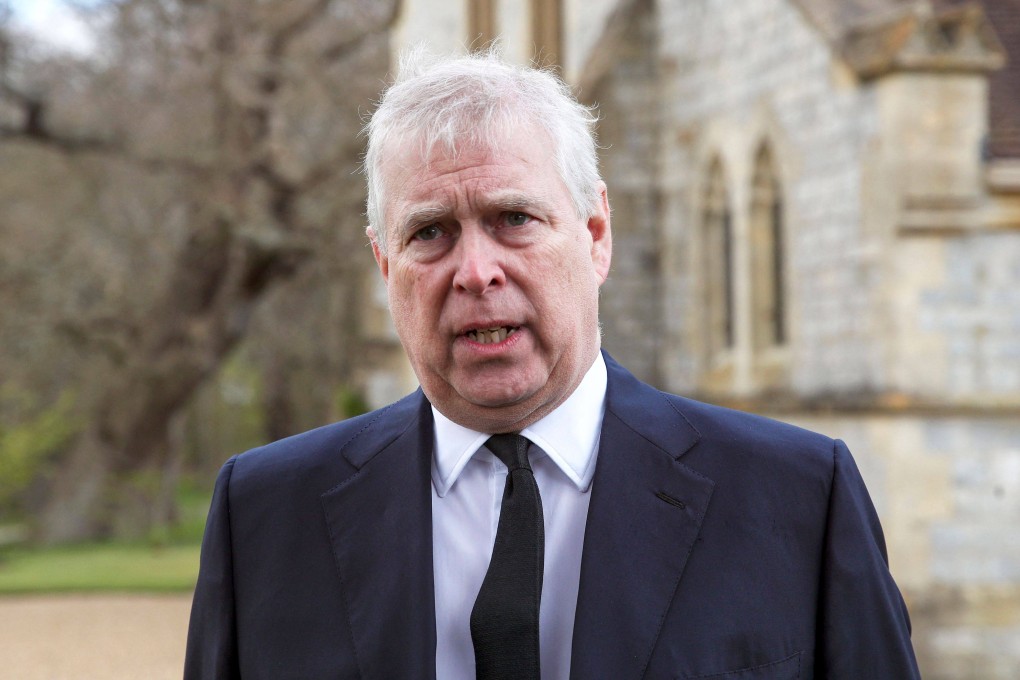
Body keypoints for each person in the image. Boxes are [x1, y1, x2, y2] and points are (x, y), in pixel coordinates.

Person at [185, 50, 921, 679]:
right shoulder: (265, 516)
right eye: (431, 232)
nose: (476, 271)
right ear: (386, 264)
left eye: (514, 219)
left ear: (596, 235)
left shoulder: (796, 499)